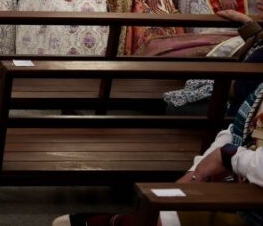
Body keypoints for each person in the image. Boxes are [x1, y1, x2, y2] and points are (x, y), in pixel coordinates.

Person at [54, 80, 263, 226]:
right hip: (240, 188)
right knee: (168, 199)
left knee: (168, 212)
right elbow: (235, 130)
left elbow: (230, 152)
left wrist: (230, 157)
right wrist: (197, 171)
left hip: (251, 209)